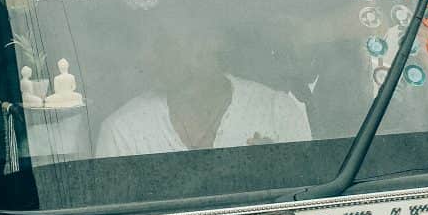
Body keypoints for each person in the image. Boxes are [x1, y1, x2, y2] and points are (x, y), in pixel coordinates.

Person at [95, 48, 311, 159]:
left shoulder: (277, 111)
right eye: (161, 44)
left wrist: (282, 171)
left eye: (171, 39)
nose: (150, 55)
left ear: (214, 40)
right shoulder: (122, 131)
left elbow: (308, 199)